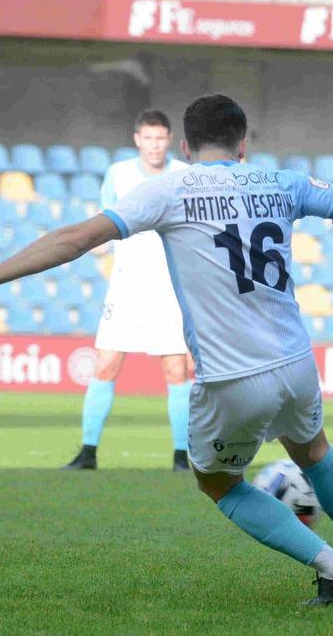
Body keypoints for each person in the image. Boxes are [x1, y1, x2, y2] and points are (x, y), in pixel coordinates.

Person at [0, 94, 333, 605]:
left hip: (234, 376)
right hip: (296, 361)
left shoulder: (169, 188)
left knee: (217, 481)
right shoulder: (280, 182)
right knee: (314, 449)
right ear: (242, 144)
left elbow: (78, 238)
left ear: (186, 146)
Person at [63, 110, 192, 472]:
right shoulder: (118, 174)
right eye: (147, 138)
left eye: (160, 138)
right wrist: (93, 245)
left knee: (176, 371)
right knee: (104, 365)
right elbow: (104, 221)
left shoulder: (183, 174)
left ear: (169, 139)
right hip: (127, 286)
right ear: (137, 139)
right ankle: (87, 453)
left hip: (170, 286)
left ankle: (181, 457)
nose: (154, 145)